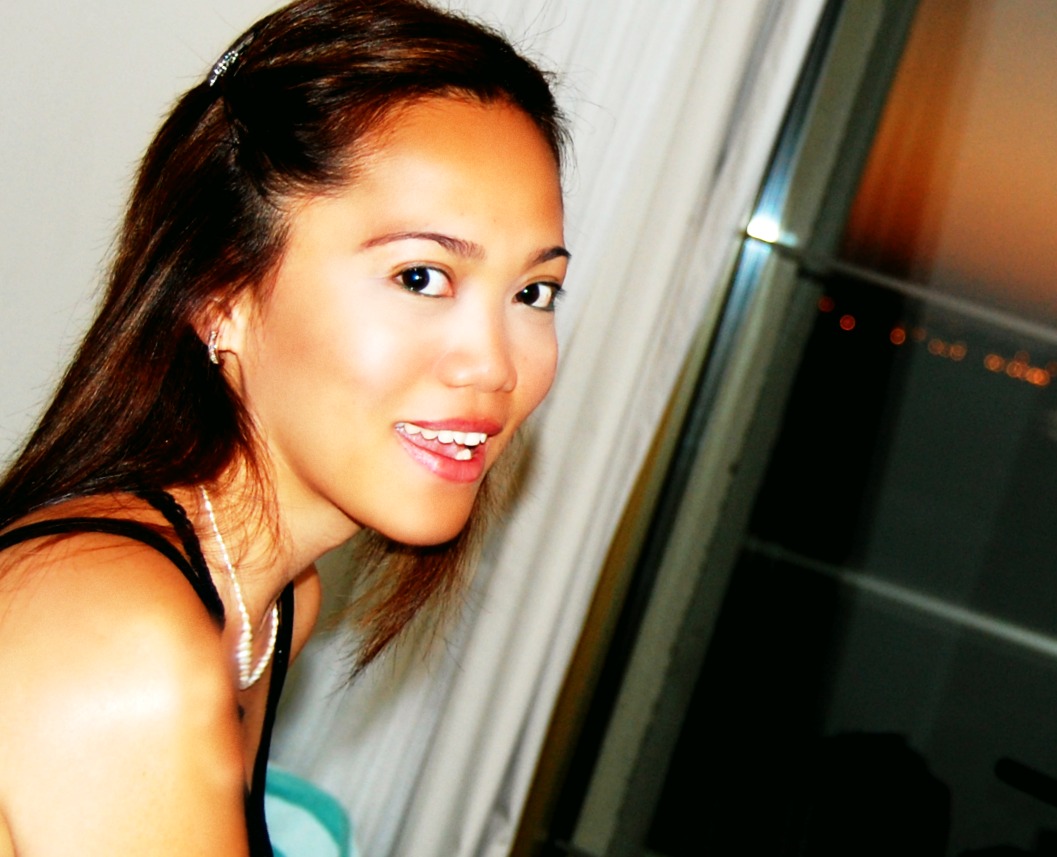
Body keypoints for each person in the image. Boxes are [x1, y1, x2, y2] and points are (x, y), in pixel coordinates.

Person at [0, 0, 569, 853]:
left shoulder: (272, 605)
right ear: (220, 292)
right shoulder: (116, 634)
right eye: (420, 276)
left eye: (533, 292)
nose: (494, 366)